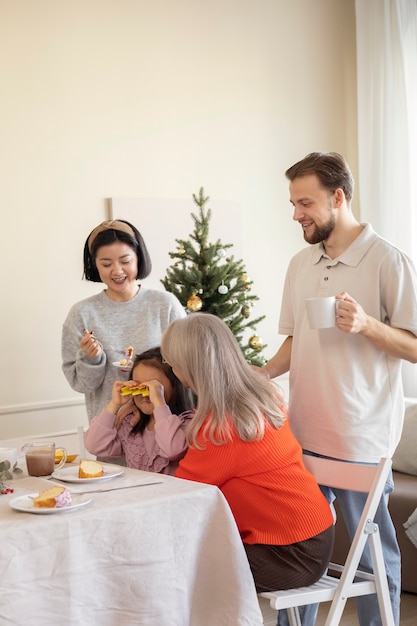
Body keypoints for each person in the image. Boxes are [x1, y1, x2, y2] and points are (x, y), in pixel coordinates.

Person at [260, 152, 417, 626]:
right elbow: (295, 341)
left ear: (338, 197)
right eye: (292, 203)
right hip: (303, 432)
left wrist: (368, 325)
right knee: (300, 550)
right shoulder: (300, 263)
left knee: (371, 553)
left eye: (304, 202)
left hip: (359, 437)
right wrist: (260, 375)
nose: (296, 214)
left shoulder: (388, 260)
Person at [160, 313, 335, 593]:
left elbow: (182, 493)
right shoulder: (258, 399)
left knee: (175, 570)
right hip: (308, 537)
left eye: (171, 364)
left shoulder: (221, 428)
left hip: (288, 551)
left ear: (187, 368)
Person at [61, 219, 186, 424]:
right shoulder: (81, 314)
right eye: (106, 264)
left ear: (139, 259)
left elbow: (187, 371)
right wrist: (91, 359)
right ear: (94, 265)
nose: (117, 271)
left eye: (125, 261)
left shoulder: (165, 305)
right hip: (110, 435)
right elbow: (82, 385)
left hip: (163, 431)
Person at [84, 347, 195, 475]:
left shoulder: (188, 423)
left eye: (153, 386)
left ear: (176, 385)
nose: (144, 394)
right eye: (138, 386)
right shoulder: (131, 425)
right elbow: (94, 445)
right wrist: (114, 405)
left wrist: (159, 403)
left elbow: (172, 450)